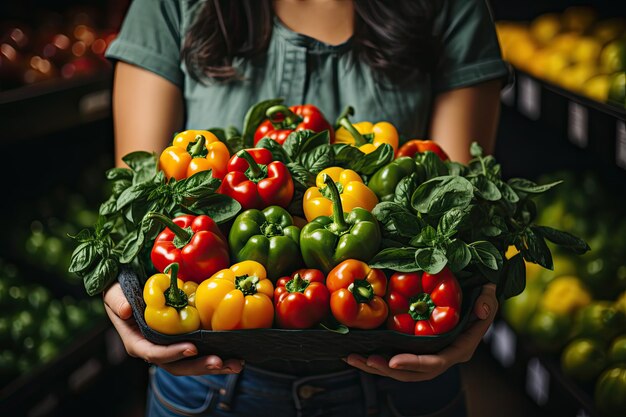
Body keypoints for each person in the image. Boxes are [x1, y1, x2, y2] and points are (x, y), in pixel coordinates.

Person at [104, 0, 508, 415]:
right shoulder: (170, 6)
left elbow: (461, 202)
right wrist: (123, 290)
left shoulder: (451, 7)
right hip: (206, 382)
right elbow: (136, 195)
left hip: (400, 379)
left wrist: (477, 291)